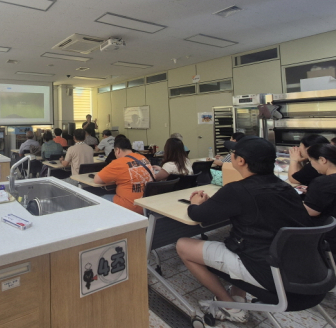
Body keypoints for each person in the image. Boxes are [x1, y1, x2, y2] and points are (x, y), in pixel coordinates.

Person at [176, 136, 313, 323]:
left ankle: (229, 306)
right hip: (303, 271)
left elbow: (197, 215)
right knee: (236, 241)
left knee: (183, 245)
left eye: (233, 153)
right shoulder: (286, 188)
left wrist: (195, 203)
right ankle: (238, 297)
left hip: (268, 272)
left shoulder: (237, 190)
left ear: (240, 161)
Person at [93, 137, 153, 214]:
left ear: (118, 150)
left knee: (99, 199)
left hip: (130, 206)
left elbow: (97, 180)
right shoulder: (143, 158)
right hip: (147, 206)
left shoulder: (118, 162)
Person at [303, 143, 336, 252]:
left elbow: (311, 212)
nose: (311, 165)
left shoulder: (322, 182)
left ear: (322, 160)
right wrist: (313, 192)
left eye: (311, 161)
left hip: (328, 236)